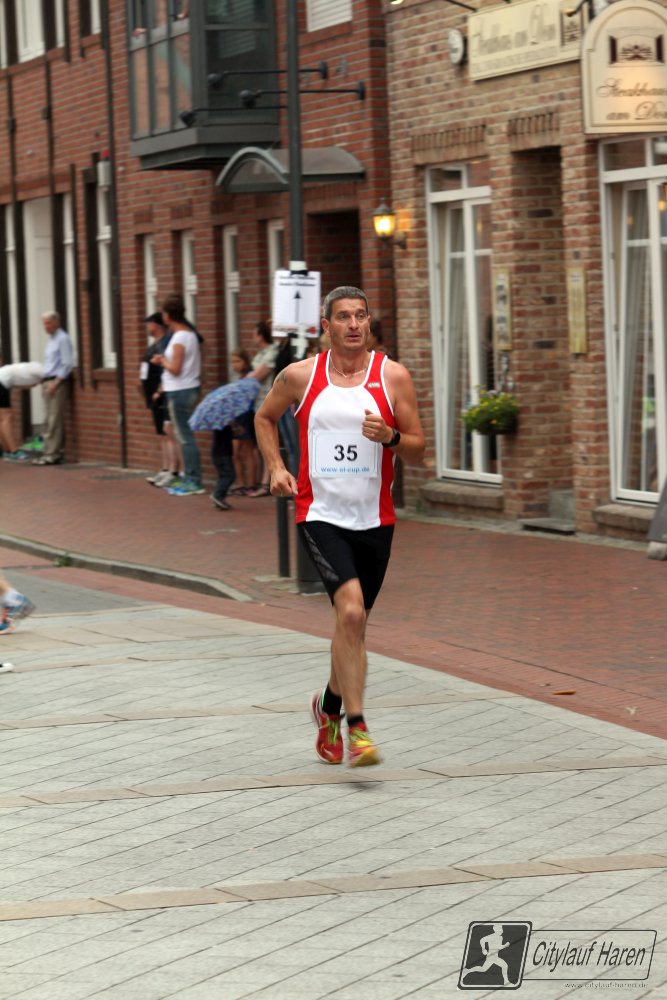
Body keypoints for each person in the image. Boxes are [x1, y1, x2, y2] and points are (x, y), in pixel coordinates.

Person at [254, 285, 425, 767]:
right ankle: (358, 729)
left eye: (361, 316)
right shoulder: (300, 376)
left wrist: (390, 436)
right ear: (326, 326)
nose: (354, 325)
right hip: (320, 514)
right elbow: (264, 419)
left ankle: (328, 707)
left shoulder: (392, 376)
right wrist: (275, 467)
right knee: (349, 614)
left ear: (369, 323)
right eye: (344, 317)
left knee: (354, 625)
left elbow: (417, 448)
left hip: (375, 519)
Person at [150, 294, 204, 496]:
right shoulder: (189, 334)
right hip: (186, 388)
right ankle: (188, 476)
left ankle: (193, 479)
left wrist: (161, 361)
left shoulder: (180, 337)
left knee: (184, 436)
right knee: (183, 435)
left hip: (180, 390)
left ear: (167, 316)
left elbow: (175, 368)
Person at [140, 312, 184, 488]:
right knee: (162, 433)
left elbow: (165, 369)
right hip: (153, 395)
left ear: (157, 325)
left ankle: (175, 470)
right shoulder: (155, 345)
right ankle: (166, 467)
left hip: (163, 394)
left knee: (169, 432)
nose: (147, 327)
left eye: (149, 324)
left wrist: (159, 389)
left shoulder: (166, 344)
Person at [32, 311, 73, 466]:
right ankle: (48, 451)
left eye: (48, 323)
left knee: (54, 419)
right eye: (44, 323)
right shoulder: (51, 340)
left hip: (57, 383)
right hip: (48, 382)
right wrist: (44, 382)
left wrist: (55, 383)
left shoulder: (62, 339)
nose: (45, 326)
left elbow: (67, 363)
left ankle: (52, 454)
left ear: (56, 322)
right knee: (47, 419)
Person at [247, 321, 279, 497]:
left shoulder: (272, 352)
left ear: (260, 335)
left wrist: (245, 380)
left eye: (254, 333)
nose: (253, 337)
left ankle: (267, 483)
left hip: (268, 401)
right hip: (258, 401)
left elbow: (258, 375)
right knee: (262, 444)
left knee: (270, 442)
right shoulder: (262, 352)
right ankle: (265, 481)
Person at [228, 349, 257, 496]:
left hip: (246, 417)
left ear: (245, 361)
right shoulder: (238, 379)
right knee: (235, 453)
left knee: (248, 451)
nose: (235, 365)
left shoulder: (251, 377)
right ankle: (240, 483)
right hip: (237, 418)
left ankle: (251, 484)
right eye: (233, 362)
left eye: (238, 361)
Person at [0, 571, 35, 637]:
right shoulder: (2, 581)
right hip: (16, 599)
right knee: (5, 616)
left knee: (8, 619)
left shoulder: (1, 582)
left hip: (15, 602)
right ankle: (6, 624)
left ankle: (9, 628)